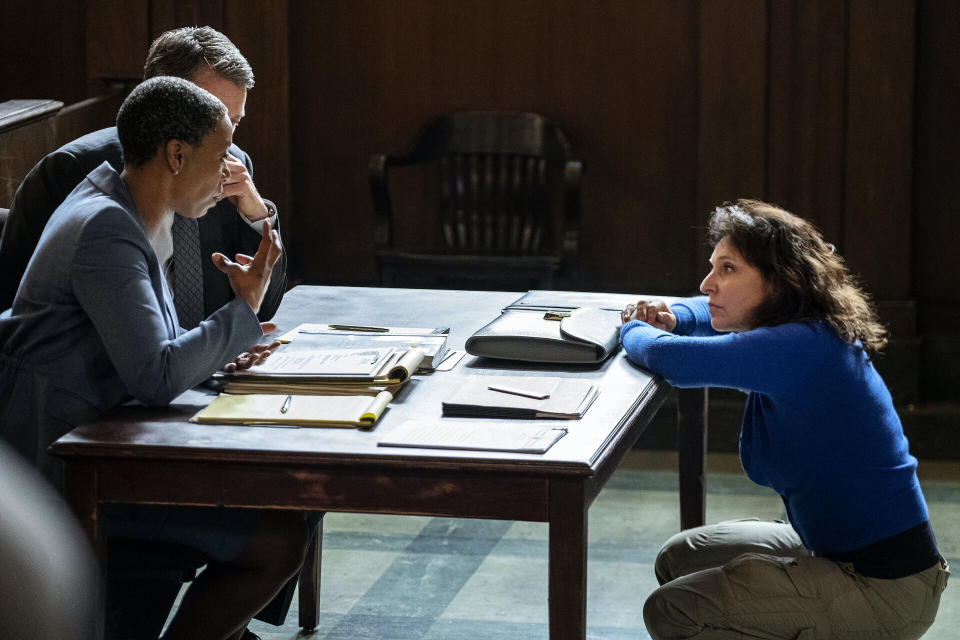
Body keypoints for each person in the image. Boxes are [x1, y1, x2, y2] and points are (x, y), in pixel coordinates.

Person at [0, 77, 313, 640]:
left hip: (109, 440)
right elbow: (157, 374)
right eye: (220, 157)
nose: (227, 175)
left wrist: (230, 342)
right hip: (65, 467)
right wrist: (242, 306)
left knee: (279, 505)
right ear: (175, 154)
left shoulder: (129, 202)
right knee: (276, 540)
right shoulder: (104, 228)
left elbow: (160, 343)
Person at [620, 200, 949, 640]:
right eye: (712, 267)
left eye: (728, 270)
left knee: (673, 611)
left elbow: (669, 358)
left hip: (884, 586)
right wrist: (673, 316)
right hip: (829, 548)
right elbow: (703, 311)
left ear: (777, 282)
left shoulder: (801, 347)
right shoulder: (798, 327)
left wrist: (631, 327)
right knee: (681, 557)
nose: (708, 283)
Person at [0, 26, 286, 325]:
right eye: (210, 119)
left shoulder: (234, 165)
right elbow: (17, 310)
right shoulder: (69, 171)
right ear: (160, 102)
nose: (223, 142)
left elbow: (261, 313)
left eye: (233, 122)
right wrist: (212, 348)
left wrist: (256, 217)